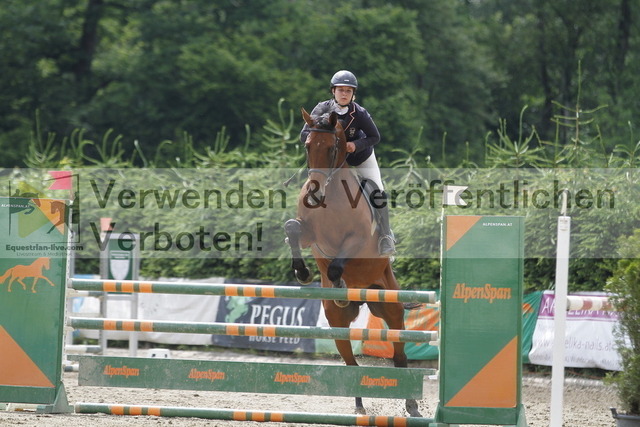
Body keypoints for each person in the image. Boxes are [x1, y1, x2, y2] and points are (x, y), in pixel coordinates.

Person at [299, 70, 395, 256]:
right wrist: (319, 139)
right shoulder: (321, 109)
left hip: (358, 157)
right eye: (340, 90)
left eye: (348, 91)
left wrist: (356, 145)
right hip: (331, 159)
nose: (344, 94)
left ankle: (386, 236)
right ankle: (303, 227)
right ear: (333, 91)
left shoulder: (359, 113)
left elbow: (375, 136)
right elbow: (304, 134)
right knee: (314, 181)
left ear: (353, 94)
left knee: (377, 190)